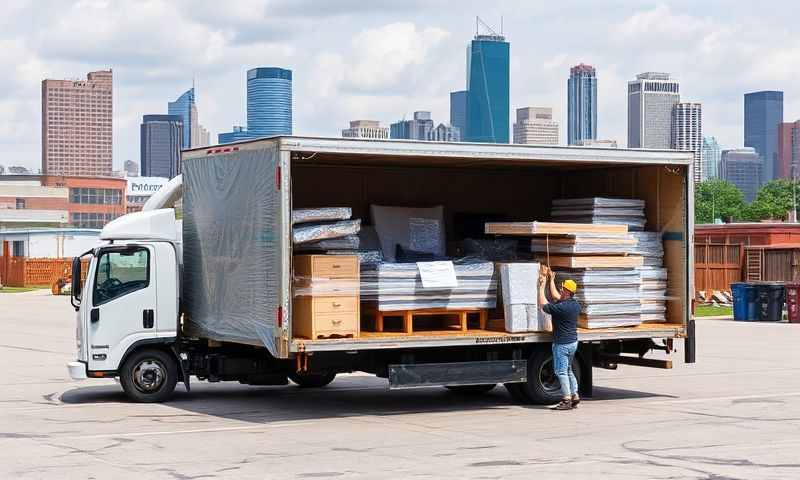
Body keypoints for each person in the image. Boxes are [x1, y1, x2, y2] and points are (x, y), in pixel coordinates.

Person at [538, 268, 581, 410]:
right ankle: (575, 396)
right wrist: (551, 280)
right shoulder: (574, 305)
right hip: (573, 343)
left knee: (561, 372)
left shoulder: (561, 308)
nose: (561, 291)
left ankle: (566, 399)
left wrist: (541, 285)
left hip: (562, 345)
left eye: (563, 289)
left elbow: (543, 304)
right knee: (568, 370)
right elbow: (556, 296)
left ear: (568, 292)